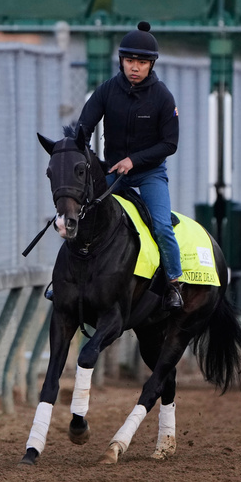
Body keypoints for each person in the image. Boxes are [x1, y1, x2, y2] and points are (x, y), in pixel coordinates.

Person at [65, 21, 184, 310]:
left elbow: (170, 144)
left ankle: (174, 284)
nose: (135, 67)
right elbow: (84, 126)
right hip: (112, 173)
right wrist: (78, 152)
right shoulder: (106, 91)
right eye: (130, 60)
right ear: (121, 61)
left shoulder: (163, 97)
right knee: (78, 217)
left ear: (151, 65)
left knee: (162, 226)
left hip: (149, 174)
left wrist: (134, 160)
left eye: (142, 62)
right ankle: (65, 281)